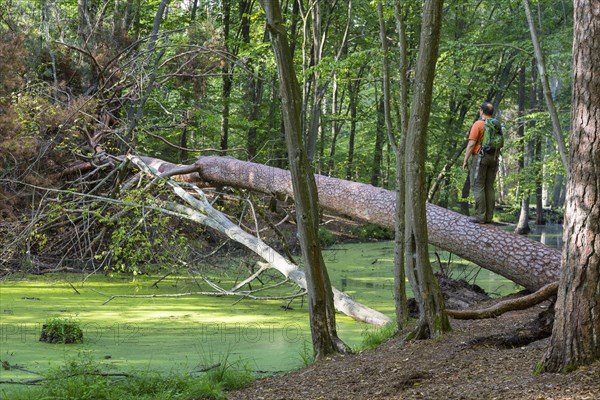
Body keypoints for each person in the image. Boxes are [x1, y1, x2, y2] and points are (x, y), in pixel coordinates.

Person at [462, 102, 501, 224]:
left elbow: (472, 144)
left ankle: (480, 216)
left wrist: (465, 160)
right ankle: (489, 217)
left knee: (478, 186)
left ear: (481, 111)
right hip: (494, 158)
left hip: (480, 157)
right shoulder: (496, 124)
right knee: (489, 186)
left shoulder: (478, 124)